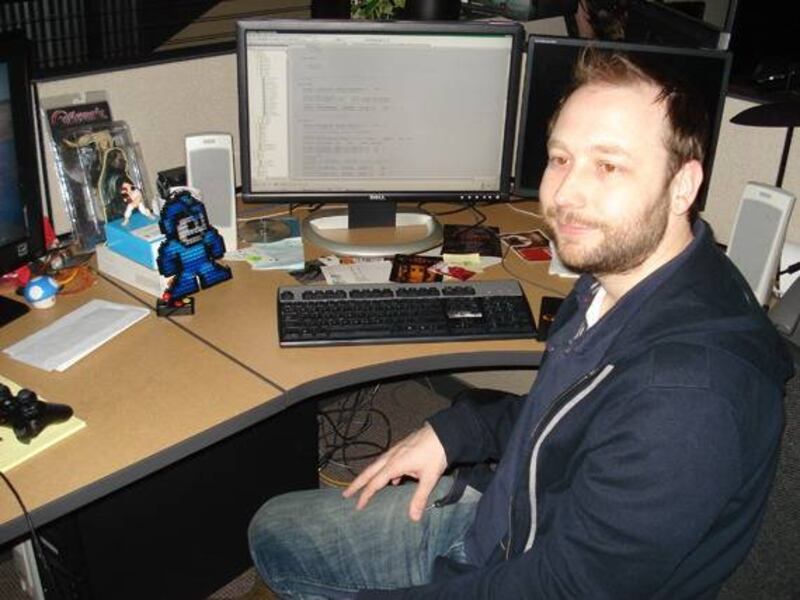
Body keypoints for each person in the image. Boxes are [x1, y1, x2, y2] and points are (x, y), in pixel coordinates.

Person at [247, 49, 793, 599]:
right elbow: (565, 417)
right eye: (561, 158)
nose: (567, 194)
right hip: (513, 516)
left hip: (533, 571)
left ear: (683, 186)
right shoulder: (621, 278)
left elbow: (563, 589)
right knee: (273, 531)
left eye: (608, 165)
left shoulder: (688, 397)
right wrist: (457, 432)